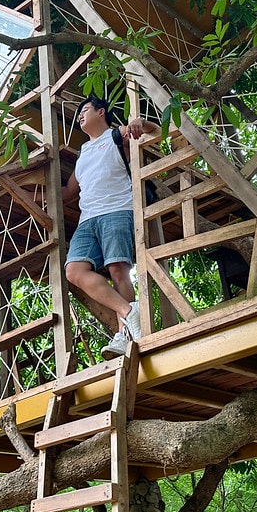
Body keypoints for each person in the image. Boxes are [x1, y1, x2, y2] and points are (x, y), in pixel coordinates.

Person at [61, 95, 159, 358]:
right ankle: (129, 312)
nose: (80, 115)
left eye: (85, 110)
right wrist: (32, 194)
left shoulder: (116, 135)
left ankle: (124, 335)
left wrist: (141, 123)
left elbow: (156, 132)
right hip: (87, 218)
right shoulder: (83, 152)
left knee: (118, 269)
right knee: (73, 270)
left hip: (117, 208)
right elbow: (69, 191)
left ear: (101, 112)